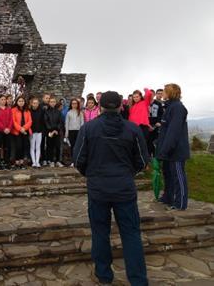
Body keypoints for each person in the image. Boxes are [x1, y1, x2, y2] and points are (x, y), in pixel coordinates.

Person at [73, 91, 149, 286]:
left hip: (99, 188)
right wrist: (128, 173)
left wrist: (91, 174)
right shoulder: (132, 129)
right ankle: (138, 280)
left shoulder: (89, 128)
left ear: (101, 106)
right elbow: (142, 160)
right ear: (120, 107)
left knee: (100, 232)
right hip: (123, 187)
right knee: (131, 233)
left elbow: (79, 159)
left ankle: (104, 275)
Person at [157, 83, 190, 211]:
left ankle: (180, 203)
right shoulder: (169, 107)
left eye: (164, 91)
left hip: (176, 150)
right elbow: (166, 130)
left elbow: (173, 132)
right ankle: (168, 197)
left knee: (178, 176)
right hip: (167, 149)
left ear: (170, 93)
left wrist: (165, 150)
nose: (162, 93)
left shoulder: (178, 108)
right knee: (168, 175)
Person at [11, 96, 32, 169]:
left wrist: (24, 128)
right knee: (18, 146)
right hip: (17, 131)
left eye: (22, 101)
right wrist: (20, 129)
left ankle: (22, 162)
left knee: (24, 146)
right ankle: (17, 162)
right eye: (19, 101)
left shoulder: (27, 110)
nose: (21, 102)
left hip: (25, 131)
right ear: (17, 102)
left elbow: (30, 121)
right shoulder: (13, 110)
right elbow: (13, 122)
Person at [0, 95, 13, 171]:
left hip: (8, 131)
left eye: (5, 99)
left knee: (7, 147)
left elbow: (11, 119)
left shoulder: (9, 109)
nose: (4, 101)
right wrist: (4, 128)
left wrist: (9, 128)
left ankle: (6, 162)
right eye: (2, 99)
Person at [44, 97, 64, 167]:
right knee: (50, 146)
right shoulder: (46, 112)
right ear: (49, 103)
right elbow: (46, 122)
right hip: (50, 132)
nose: (52, 103)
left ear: (55, 103)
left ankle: (58, 161)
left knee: (58, 146)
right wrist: (51, 130)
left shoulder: (58, 112)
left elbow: (60, 122)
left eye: (54, 102)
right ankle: (51, 161)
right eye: (51, 102)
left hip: (57, 132)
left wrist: (56, 130)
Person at [65, 98, 84, 167]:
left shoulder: (80, 112)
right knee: (72, 146)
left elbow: (82, 123)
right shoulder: (69, 113)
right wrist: (66, 133)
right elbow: (66, 123)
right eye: (73, 103)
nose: (74, 105)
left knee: (78, 146)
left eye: (75, 103)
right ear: (71, 104)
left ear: (77, 104)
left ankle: (77, 161)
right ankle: (73, 161)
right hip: (71, 131)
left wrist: (82, 132)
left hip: (78, 131)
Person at [148, 89, 164, 157]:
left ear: (154, 95)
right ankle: (148, 159)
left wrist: (158, 122)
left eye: (152, 94)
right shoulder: (145, 103)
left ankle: (155, 159)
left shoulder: (158, 104)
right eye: (149, 94)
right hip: (147, 126)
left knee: (155, 142)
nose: (150, 95)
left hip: (156, 127)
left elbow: (161, 114)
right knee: (147, 143)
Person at [29, 98, 44, 168]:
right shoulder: (29, 111)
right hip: (31, 132)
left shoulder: (41, 111)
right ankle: (33, 162)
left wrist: (42, 130)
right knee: (32, 147)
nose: (35, 104)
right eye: (34, 103)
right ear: (32, 104)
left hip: (39, 132)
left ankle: (37, 162)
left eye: (37, 103)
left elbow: (43, 121)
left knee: (38, 147)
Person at [40, 93, 51, 166]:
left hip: (49, 128)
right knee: (42, 144)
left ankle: (48, 159)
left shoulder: (51, 106)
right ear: (43, 98)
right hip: (42, 128)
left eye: (49, 98)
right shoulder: (40, 106)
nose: (48, 99)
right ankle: (43, 159)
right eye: (46, 98)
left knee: (49, 144)